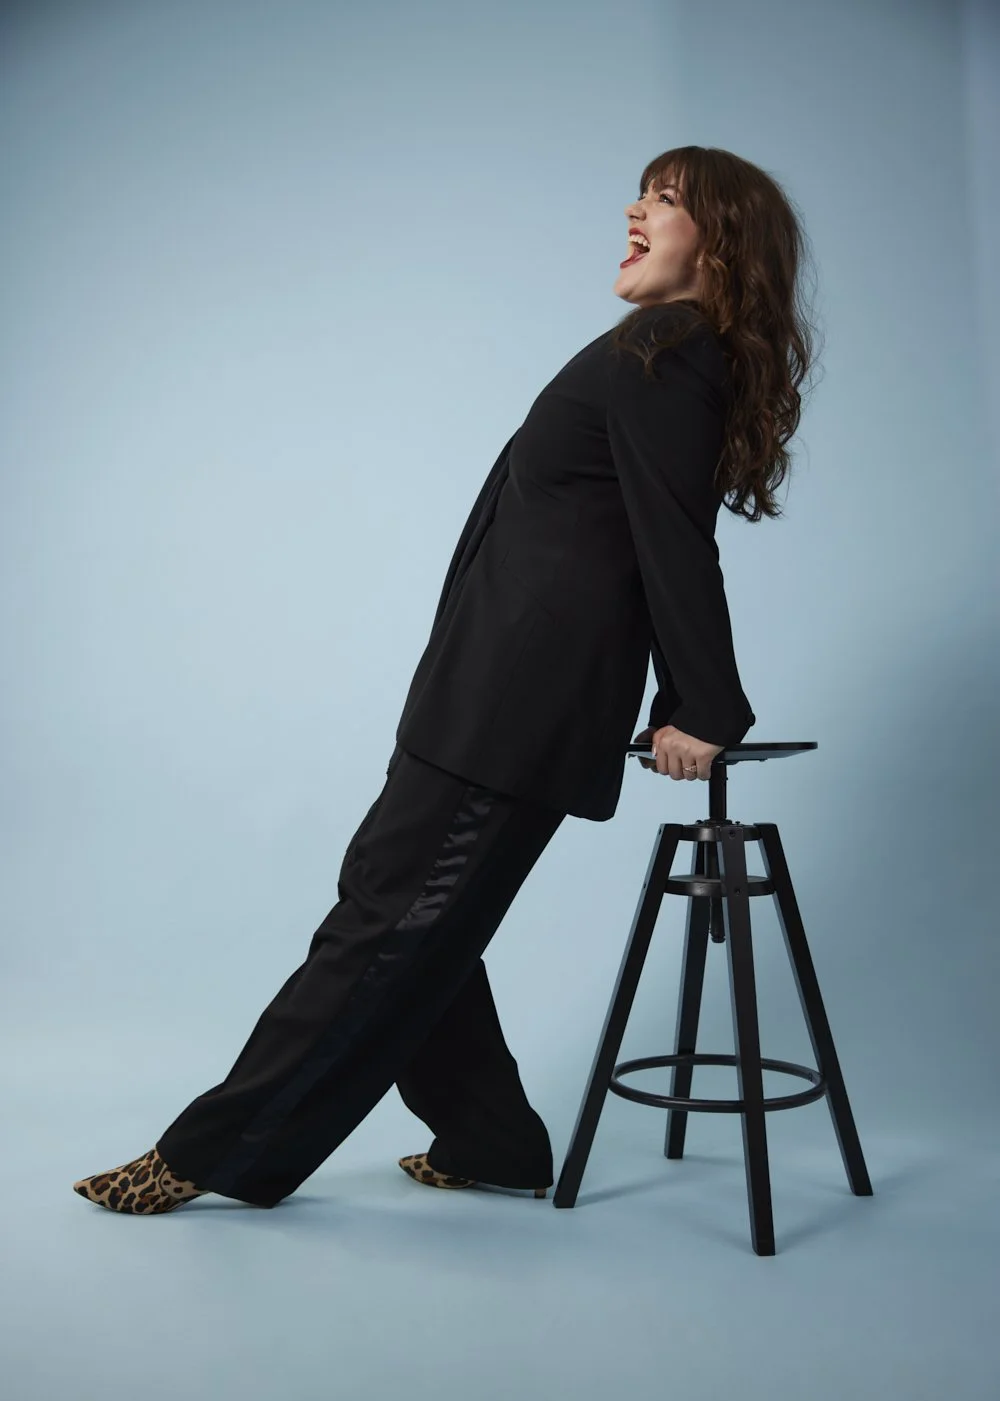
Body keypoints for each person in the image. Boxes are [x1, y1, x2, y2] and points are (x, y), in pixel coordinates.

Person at [73, 145, 815, 1214]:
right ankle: (492, 1141)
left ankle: (209, 1155)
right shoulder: (653, 346)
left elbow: (673, 540)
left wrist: (704, 707)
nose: (634, 210)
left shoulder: (671, 349)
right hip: (479, 693)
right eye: (642, 193)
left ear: (724, 243)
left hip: (516, 706)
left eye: (664, 200)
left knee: (387, 922)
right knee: (413, 914)